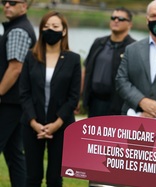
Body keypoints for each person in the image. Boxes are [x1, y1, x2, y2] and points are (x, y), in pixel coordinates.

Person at [19, 11, 81, 186]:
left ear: (64, 31)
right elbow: (24, 92)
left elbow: (74, 96)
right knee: (32, 176)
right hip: (32, 125)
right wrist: (33, 122)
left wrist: (56, 124)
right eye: (46, 27)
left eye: (55, 26)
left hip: (61, 126)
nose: (50, 30)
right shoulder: (31, 57)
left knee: (55, 178)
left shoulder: (73, 59)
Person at [0, 0, 36, 186]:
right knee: (14, 154)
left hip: (8, 102)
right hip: (15, 103)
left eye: (12, 2)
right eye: (4, 2)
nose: (7, 5)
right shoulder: (15, 28)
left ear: (24, 5)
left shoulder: (18, 31)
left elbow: (15, 68)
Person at [82, 7, 135, 118]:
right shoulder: (99, 43)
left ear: (130, 24)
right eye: (113, 17)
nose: (116, 20)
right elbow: (86, 69)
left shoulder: (133, 47)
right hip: (94, 103)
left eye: (121, 18)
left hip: (117, 106)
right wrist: (80, 97)